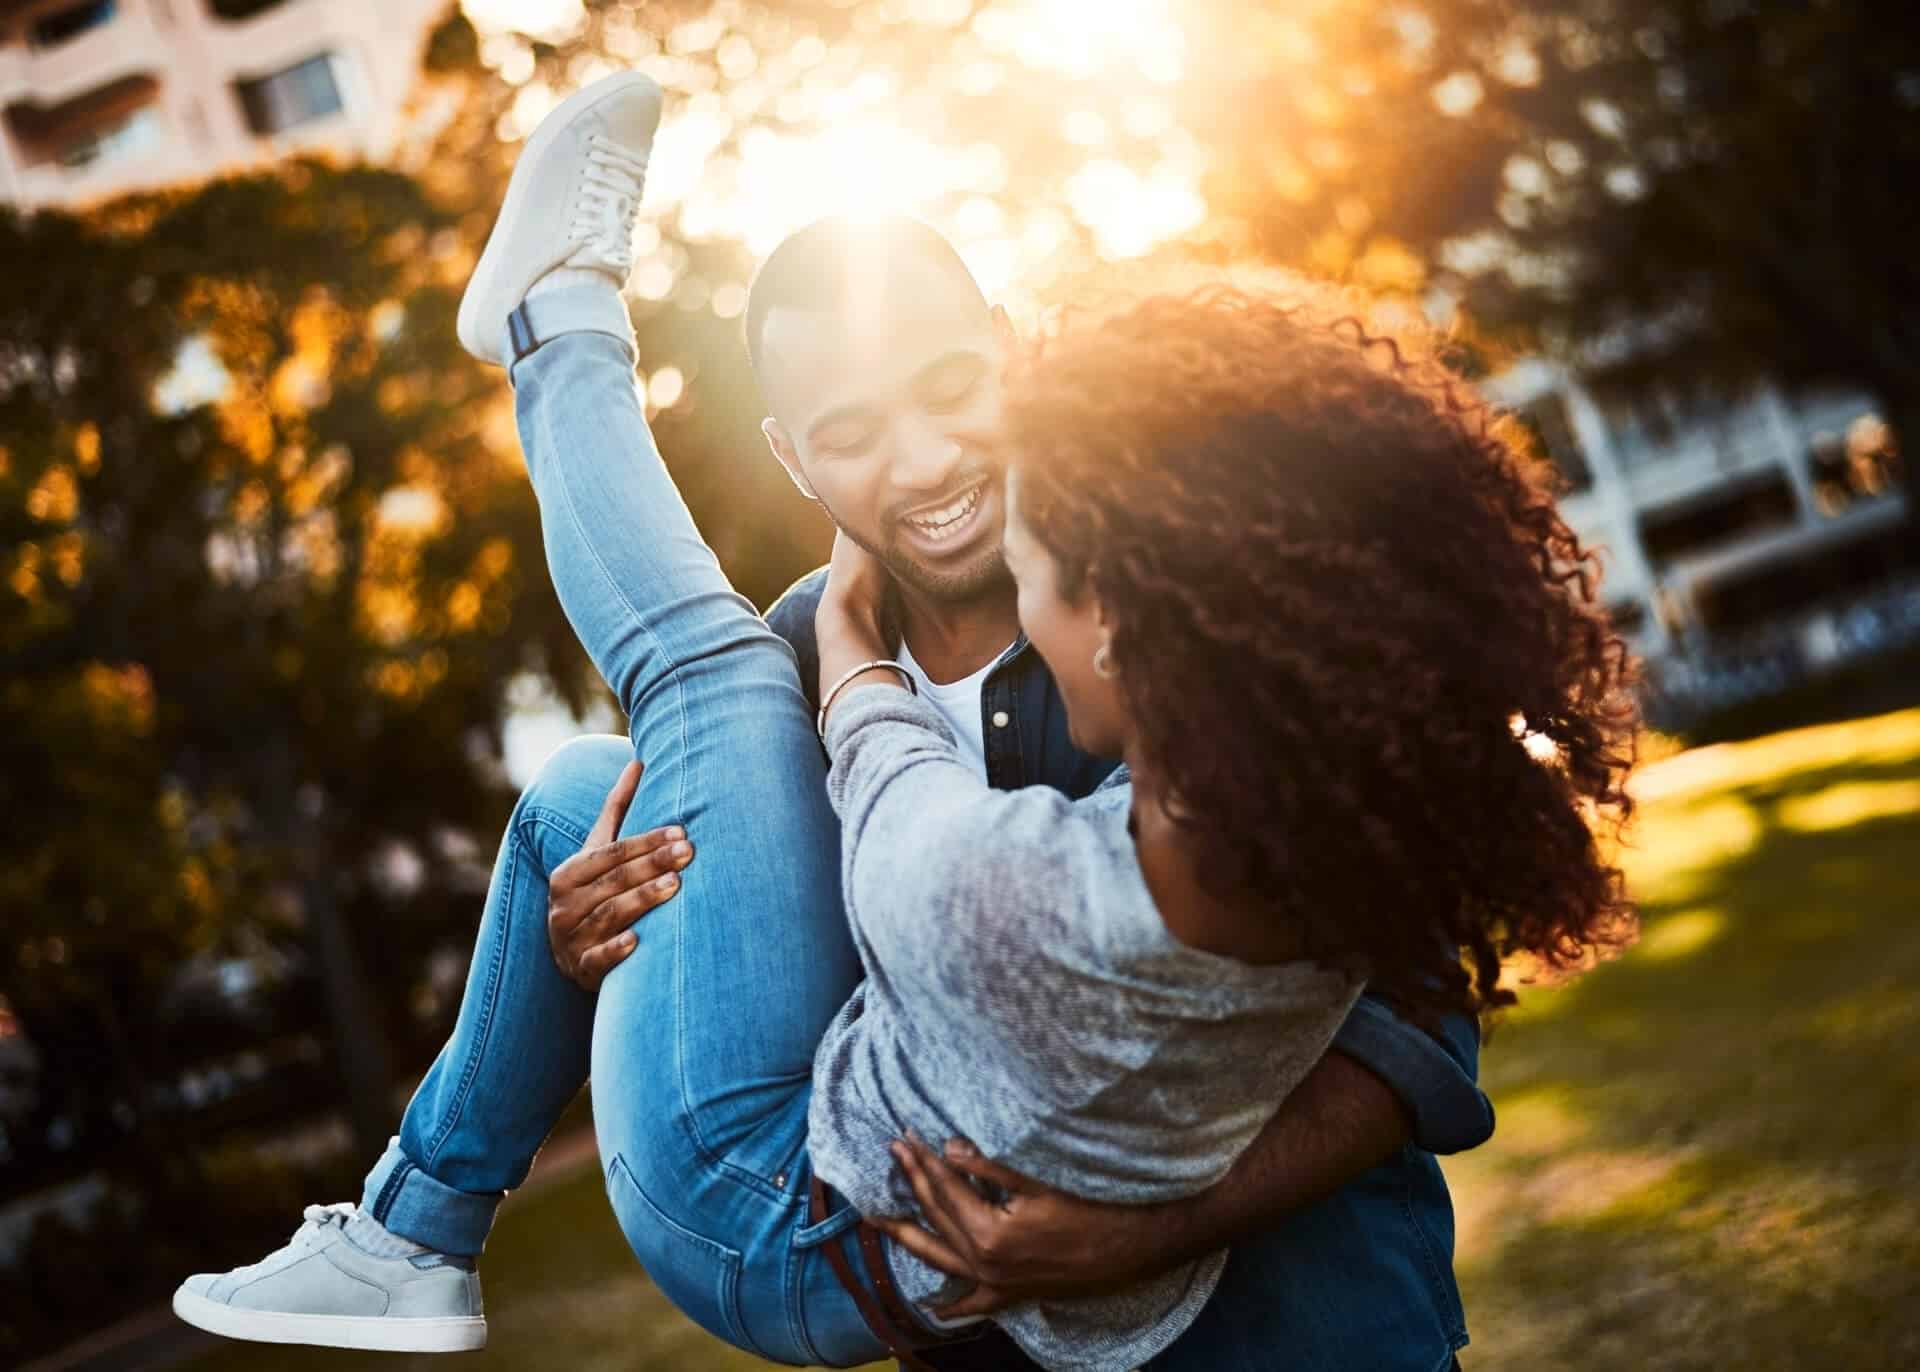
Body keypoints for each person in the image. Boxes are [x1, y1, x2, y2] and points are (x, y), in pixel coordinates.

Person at [172, 72, 1637, 1369]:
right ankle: (410, 1231)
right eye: (856, 431)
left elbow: (1419, 1018)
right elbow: (773, 1006)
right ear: (790, 456)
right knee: (586, 788)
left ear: (1009, 349)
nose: (925, 459)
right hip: (969, 1345)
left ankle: (555, 328)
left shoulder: (1202, 621)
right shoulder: (799, 654)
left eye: (950, 388)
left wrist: (1147, 1226)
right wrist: (600, 951)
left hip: (1305, 1342)